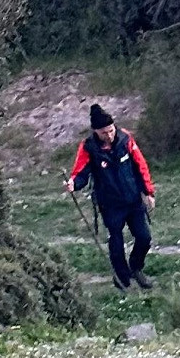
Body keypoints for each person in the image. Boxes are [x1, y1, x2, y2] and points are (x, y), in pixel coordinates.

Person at [66, 103, 156, 291]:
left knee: (144, 237)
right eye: (104, 132)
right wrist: (74, 183)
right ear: (96, 132)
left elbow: (140, 165)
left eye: (111, 130)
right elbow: (81, 172)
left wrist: (148, 192)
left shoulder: (125, 139)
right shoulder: (88, 147)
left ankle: (136, 267)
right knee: (116, 242)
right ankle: (122, 278)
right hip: (110, 205)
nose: (109, 135)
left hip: (133, 200)